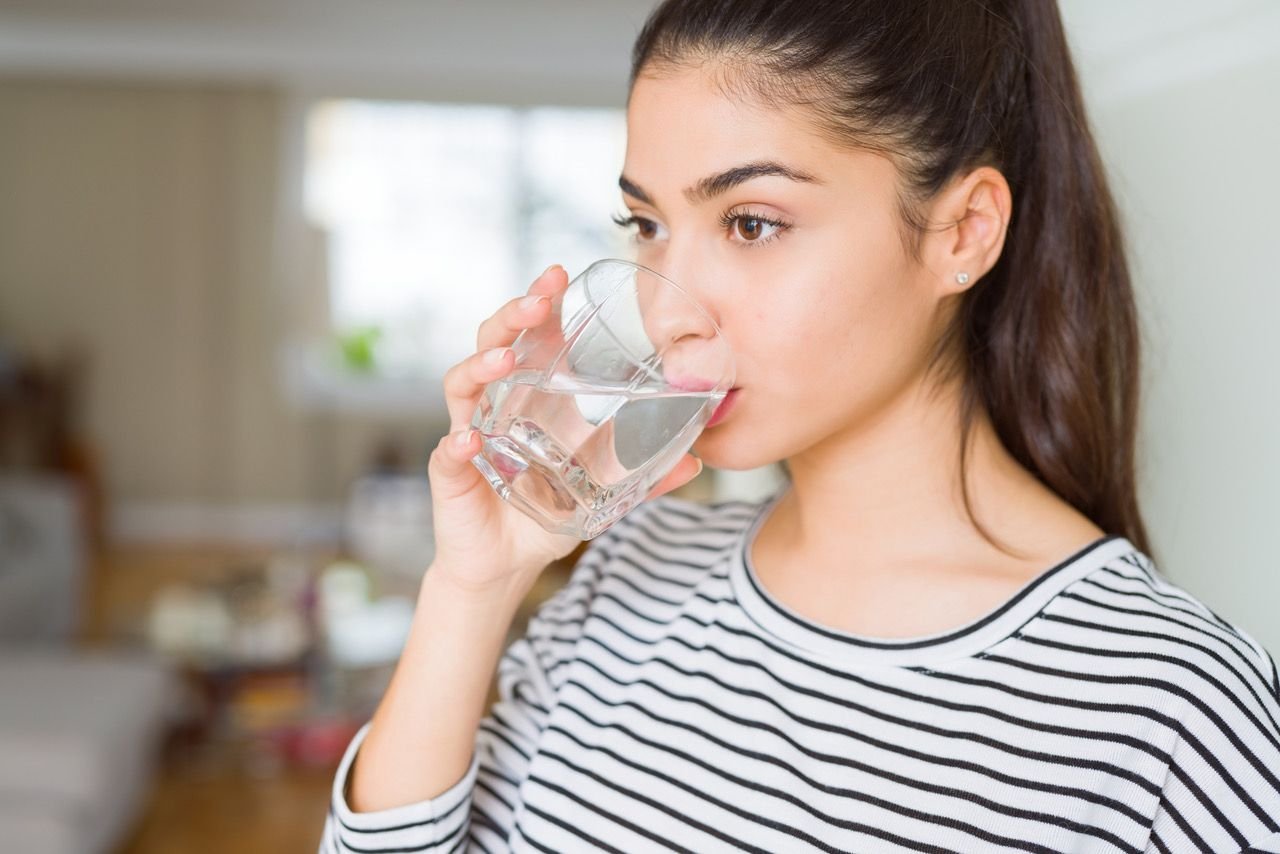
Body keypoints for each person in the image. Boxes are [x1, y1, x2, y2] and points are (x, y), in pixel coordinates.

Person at [319, 0, 1280, 850]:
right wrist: (472, 588)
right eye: (647, 226)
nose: (668, 314)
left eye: (751, 223)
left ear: (963, 232)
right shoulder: (631, 564)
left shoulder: (1166, 708)